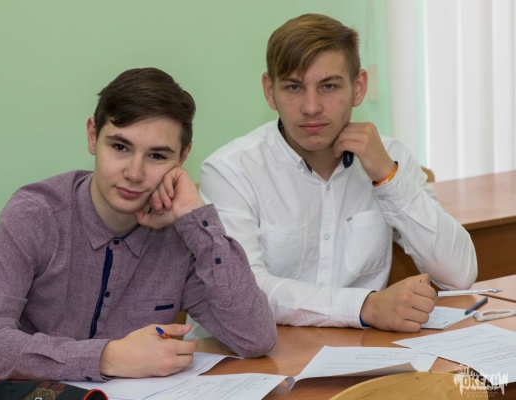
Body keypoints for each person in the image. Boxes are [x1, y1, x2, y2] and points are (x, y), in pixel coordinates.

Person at [0, 67, 277, 382]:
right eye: (120, 147)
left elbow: (255, 338)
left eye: (157, 156)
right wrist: (106, 357)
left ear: (183, 157)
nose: (134, 173)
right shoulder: (34, 215)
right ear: (92, 136)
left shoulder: (181, 235)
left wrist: (198, 220)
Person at [190, 14, 477, 336]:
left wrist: (387, 177)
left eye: (328, 86)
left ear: (358, 87)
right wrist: (365, 306)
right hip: (249, 353)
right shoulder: (230, 170)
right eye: (294, 87)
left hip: (354, 350)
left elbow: (459, 276)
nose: (311, 107)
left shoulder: (390, 157)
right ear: (270, 91)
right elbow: (245, 291)